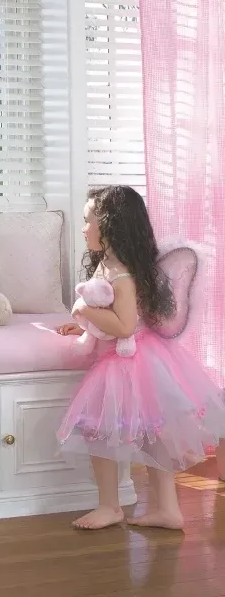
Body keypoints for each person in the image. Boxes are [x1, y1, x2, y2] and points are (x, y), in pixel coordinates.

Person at [56, 185, 225, 530]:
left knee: (99, 432)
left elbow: (125, 325)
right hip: (142, 360)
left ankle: (110, 506)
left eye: (89, 221)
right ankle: (166, 508)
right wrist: (87, 324)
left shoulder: (122, 275)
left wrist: (82, 308)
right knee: (153, 435)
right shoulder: (114, 264)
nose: (84, 228)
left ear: (112, 227)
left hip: (128, 363)